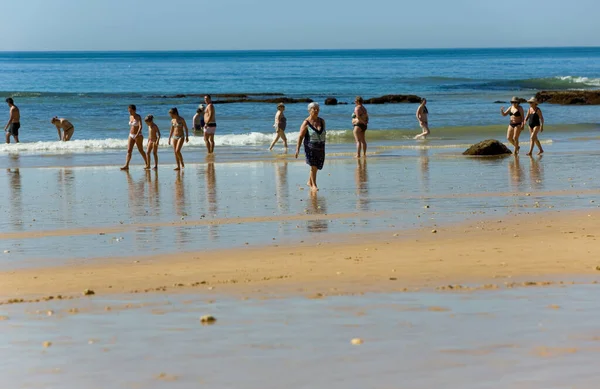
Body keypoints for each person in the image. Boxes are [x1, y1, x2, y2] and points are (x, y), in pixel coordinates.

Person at [295, 102, 326, 192]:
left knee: (316, 166)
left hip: (320, 147)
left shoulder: (322, 121)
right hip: (310, 147)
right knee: (313, 166)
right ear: (309, 111)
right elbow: (300, 136)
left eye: (317, 109)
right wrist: (297, 149)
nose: (316, 111)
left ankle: (309, 181)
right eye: (314, 109)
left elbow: (324, 134)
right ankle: (314, 185)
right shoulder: (306, 123)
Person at [121, 105, 148, 170]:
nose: (129, 112)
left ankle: (147, 163)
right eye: (129, 111)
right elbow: (132, 126)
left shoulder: (138, 116)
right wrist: (131, 134)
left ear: (134, 110)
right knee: (129, 150)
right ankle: (126, 165)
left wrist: (137, 134)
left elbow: (140, 126)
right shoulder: (130, 116)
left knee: (140, 150)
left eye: (131, 111)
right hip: (131, 135)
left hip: (138, 135)